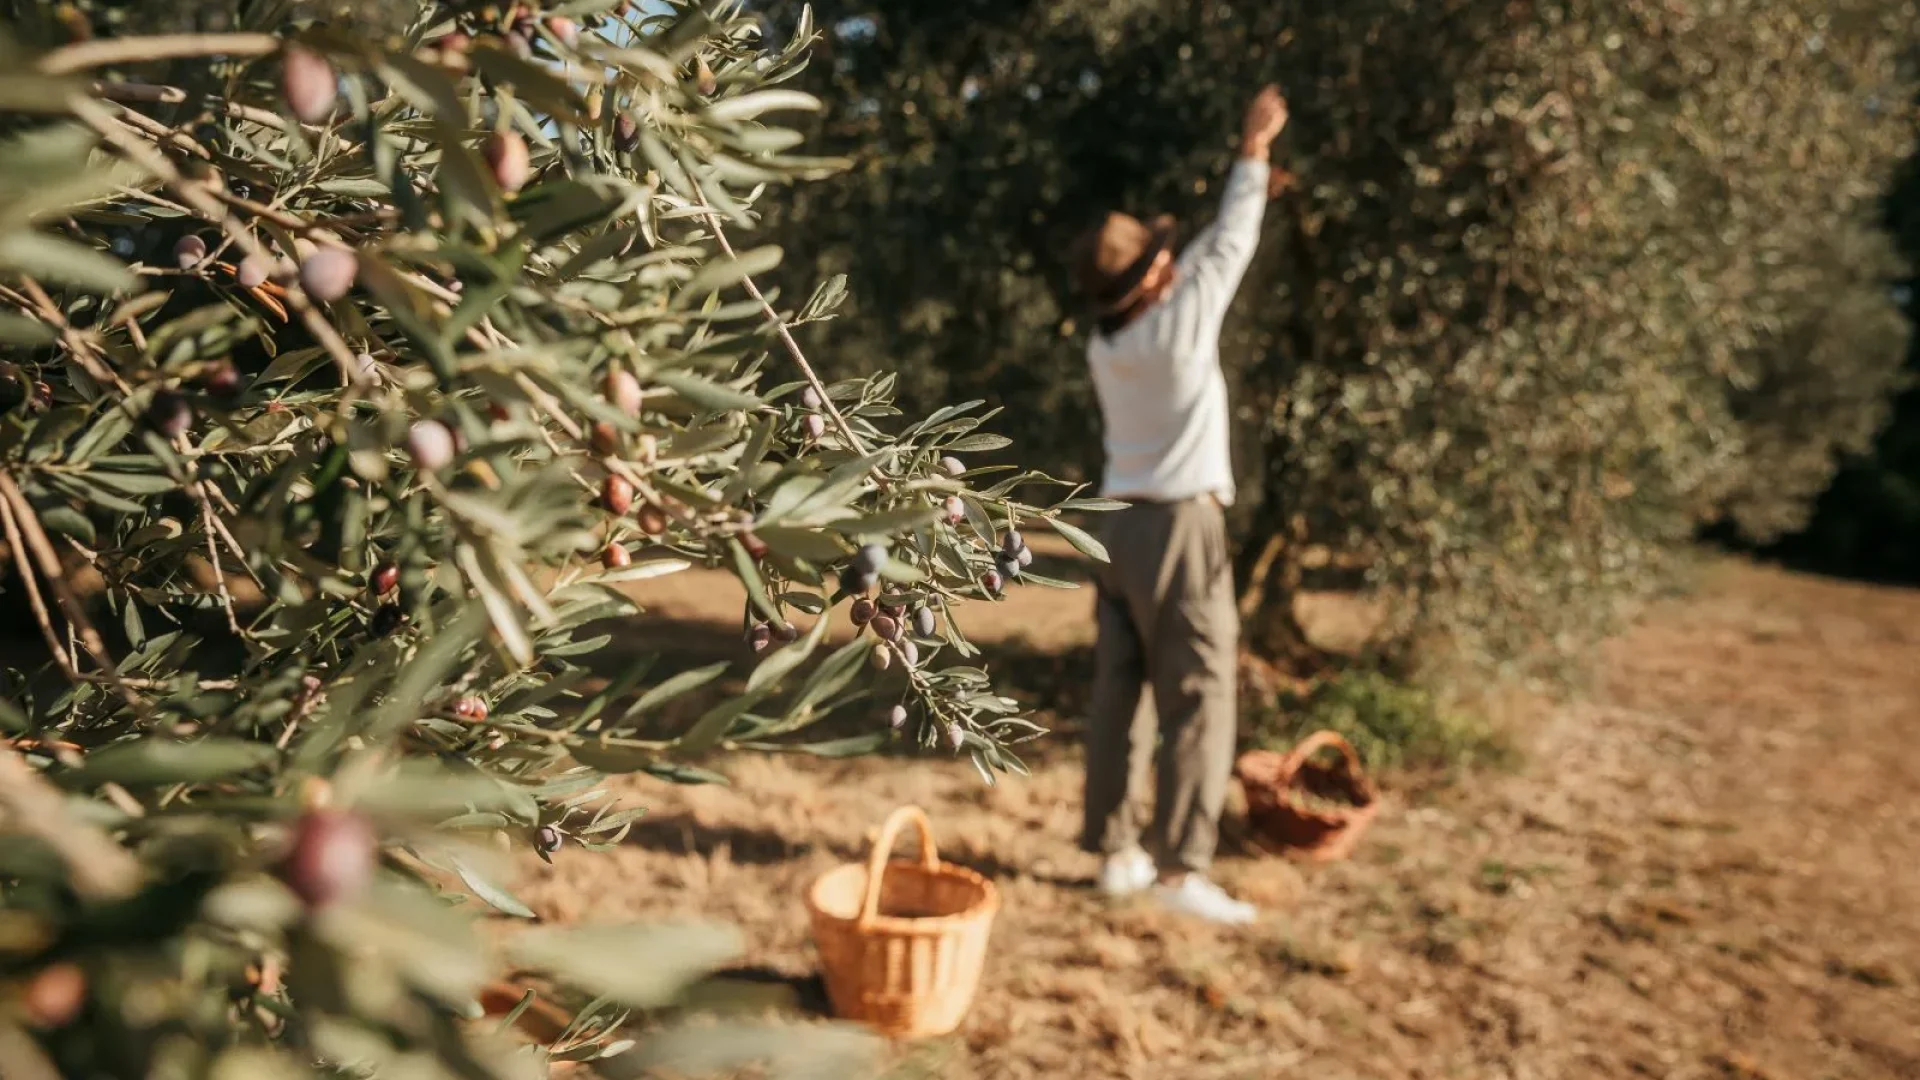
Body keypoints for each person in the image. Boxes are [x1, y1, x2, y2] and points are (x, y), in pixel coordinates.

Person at [1068, 85, 1290, 925]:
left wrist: (1245, 167)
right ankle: (1181, 870)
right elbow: (1228, 243)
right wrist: (1254, 146)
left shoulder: (1107, 342)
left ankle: (1115, 851)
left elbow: (1193, 263)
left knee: (1118, 694)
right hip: (1178, 525)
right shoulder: (1181, 323)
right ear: (1153, 280)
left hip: (1114, 523)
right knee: (1199, 694)